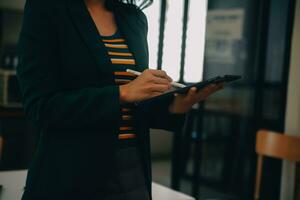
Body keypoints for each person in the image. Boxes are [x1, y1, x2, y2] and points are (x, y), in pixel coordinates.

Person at [17, 0, 223, 199]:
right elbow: (40, 106)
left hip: (132, 170)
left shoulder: (134, 18)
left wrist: (179, 105)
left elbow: (136, 107)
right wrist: (122, 93)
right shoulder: (46, 8)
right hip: (70, 174)